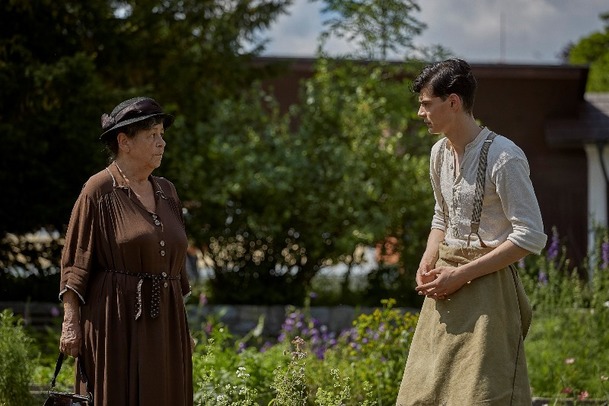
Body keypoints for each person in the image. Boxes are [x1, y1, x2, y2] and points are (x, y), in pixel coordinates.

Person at [395, 59, 547, 405]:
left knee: (480, 394)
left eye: (425, 103)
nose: (420, 112)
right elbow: (441, 217)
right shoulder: (437, 155)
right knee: (424, 391)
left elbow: (530, 236)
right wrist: (428, 258)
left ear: (453, 102)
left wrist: (462, 274)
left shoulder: (505, 156)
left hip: (489, 290)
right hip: (445, 287)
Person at [58, 97, 193, 406]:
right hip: (114, 320)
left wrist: (183, 327)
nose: (162, 142)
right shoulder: (98, 190)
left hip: (165, 321)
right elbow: (76, 263)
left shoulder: (167, 191)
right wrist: (70, 324)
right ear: (124, 141)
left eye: (161, 134)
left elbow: (176, 264)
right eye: (152, 135)